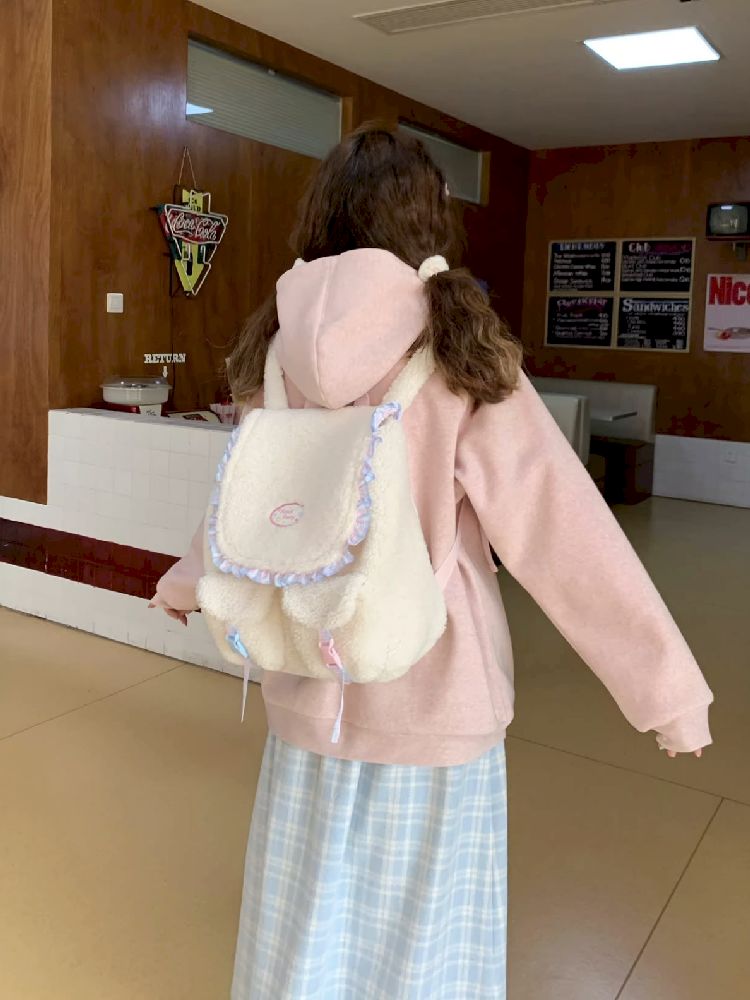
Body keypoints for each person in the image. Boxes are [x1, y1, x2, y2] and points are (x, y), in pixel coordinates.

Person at [151, 123, 713, 1000]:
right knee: (425, 941)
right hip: (436, 695)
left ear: (323, 217)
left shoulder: (274, 348)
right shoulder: (458, 350)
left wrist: (190, 578)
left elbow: (254, 495)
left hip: (307, 682)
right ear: (427, 218)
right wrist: (666, 692)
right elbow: (562, 531)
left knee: (306, 922)